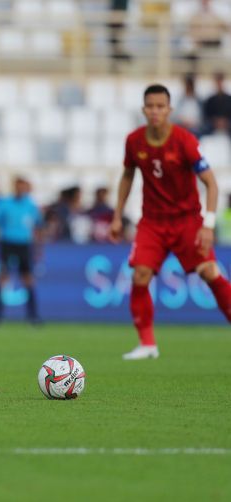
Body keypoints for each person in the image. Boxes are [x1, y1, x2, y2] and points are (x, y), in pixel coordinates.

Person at [110, 84, 231, 360]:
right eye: (150, 106)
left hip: (187, 220)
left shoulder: (184, 140)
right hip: (152, 222)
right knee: (140, 275)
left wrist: (208, 224)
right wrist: (117, 215)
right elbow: (127, 175)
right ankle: (147, 344)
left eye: (160, 106)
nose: (155, 111)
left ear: (169, 110)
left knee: (209, 272)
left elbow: (211, 183)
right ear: (143, 110)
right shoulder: (134, 141)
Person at [0, 176, 43, 324]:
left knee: (28, 279)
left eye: (23, 186)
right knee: (2, 278)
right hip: (7, 243)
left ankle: (33, 315)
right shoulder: (5, 203)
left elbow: (38, 227)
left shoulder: (30, 205)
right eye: (19, 186)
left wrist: (38, 248)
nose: (21, 189)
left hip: (24, 244)